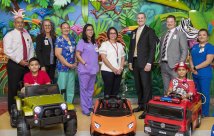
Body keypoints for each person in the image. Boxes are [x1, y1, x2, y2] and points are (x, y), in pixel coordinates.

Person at [3, 9, 34, 113]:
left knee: (27, 88)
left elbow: (31, 49)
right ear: (14, 24)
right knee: (13, 88)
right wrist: (19, 61)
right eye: (18, 22)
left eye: (22, 22)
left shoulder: (27, 35)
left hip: (26, 65)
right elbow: (8, 51)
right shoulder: (9, 35)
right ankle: (12, 111)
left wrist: (29, 62)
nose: (20, 24)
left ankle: (25, 108)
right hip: (15, 65)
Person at [128, 12, 157, 119]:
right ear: (137, 19)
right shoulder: (134, 32)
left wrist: (149, 63)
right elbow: (131, 48)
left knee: (146, 86)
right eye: (138, 18)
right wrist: (130, 61)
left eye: (142, 18)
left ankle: (147, 109)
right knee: (138, 86)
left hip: (145, 63)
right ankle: (140, 105)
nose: (140, 19)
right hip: (135, 62)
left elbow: (152, 48)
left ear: (145, 19)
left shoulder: (150, 31)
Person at [160, 15, 188, 93]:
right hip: (163, 65)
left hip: (175, 67)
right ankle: (167, 104)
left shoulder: (180, 34)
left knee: (177, 88)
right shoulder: (164, 34)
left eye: (171, 21)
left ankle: (177, 104)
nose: (169, 23)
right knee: (166, 88)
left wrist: (180, 64)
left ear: (175, 23)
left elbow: (184, 50)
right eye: (168, 22)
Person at [189, 29, 214, 117]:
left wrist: (195, 67)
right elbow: (190, 58)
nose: (201, 36)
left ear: (207, 37)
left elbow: (208, 61)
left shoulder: (210, 47)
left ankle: (205, 113)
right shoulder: (195, 46)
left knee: (204, 94)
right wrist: (192, 68)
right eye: (200, 35)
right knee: (197, 94)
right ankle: (198, 112)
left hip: (205, 74)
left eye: (204, 35)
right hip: (195, 74)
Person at [76, 24, 99, 116]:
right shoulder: (82, 42)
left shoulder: (94, 43)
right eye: (88, 30)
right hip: (84, 70)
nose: (90, 31)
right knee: (84, 90)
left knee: (90, 90)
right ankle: (85, 109)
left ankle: (89, 106)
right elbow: (77, 54)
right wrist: (85, 63)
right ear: (85, 32)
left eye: (91, 30)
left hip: (93, 70)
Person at [99, 27, 125, 96]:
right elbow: (103, 58)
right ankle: (106, 106)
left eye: (114, 33)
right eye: (111, 33)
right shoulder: (104, 44)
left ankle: (115, 107)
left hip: (118, 72)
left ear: (116, 34)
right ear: (108, 34)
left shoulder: (120, 45)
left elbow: (123, 57)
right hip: (107, 71)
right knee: (108, 92)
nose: (113, 35)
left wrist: (121, 68)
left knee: (115, 92)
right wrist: (113, 69)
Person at [55, 22, 77, 104]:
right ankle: (61, 105)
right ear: (61, 29)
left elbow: (75, 52)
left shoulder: (72, 39)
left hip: (72, 68)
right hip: (63, 68)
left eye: (67, 27)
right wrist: (68, 65)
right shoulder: (59, 39)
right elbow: (58, 54)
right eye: (64, 28)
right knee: (62, 87)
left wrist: (75, 62)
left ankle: (69, 104)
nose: (66, 29)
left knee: (70, 87)